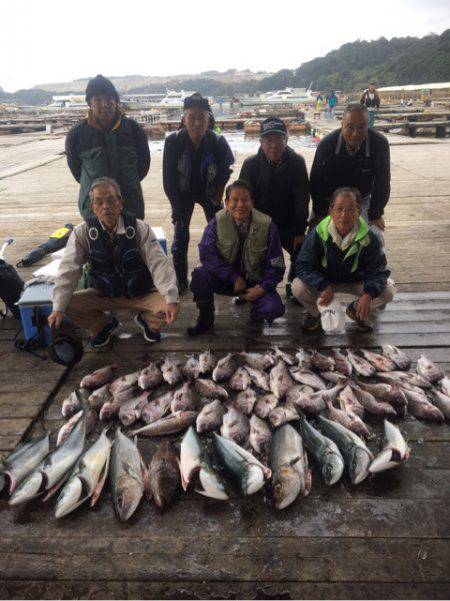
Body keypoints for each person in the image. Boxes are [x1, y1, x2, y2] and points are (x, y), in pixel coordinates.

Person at [48, 177, 179, 348]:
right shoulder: (81, 233)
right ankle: (103, 325)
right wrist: (58, 308)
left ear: (120, 203)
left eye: (111, 200)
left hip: (140, 294)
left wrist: (170, 297)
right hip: (104, 294)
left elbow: (159, 265)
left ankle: (147, 322)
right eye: (99, 202)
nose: (105, 206)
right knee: (68, 305)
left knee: (170, 304)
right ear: (93, 207)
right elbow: (68, 270)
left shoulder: (140, 229)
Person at [187, 179, 286, 336]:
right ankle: (205, 319)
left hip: (255, 283)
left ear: (252, 202)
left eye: (245, 200)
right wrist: (233, 277)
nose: (240, 205)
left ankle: (257, 316)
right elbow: (206, 254)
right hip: (225, 280)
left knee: (273, 307)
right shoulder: (215, 224)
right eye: (235, 200)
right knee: (199, 276)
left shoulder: (268, 227)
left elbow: (277, 266)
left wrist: (261, 289)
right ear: (226, 202)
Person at [292, 187, 394, 333]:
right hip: (326, 283)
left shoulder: (370, 237)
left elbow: (379, 270)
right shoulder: (317, 233)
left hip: (356, 281)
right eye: (339, 209)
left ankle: (357, 311)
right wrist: (321, 284)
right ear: (330, 211)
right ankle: (316, 313)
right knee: (297, 287)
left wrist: (369, 294)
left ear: (359, 211)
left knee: (388, 291)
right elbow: (302, 265)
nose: (344, 215)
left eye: (351, 209)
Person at [163, 92, 234, 292]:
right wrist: (176, 207)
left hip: (209, 191)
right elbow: (168, 180)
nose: (196, 123)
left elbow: (226, 166)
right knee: (180, 236)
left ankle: (220, 274)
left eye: (201, 117)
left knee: (220, 233)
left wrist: (219, 191)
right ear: (183, 119)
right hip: (182, 193)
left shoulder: (217, 141)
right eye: (191, 117)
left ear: (208, 119)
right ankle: (181, 280)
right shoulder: (173, 142)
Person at [239, 117, 309, 299]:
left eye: (279, 139)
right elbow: (242, 199)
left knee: (303, 250)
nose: (274, 145)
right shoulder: (250, 164)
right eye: (268, 140)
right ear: (261, 142)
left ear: (286, 139)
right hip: (259, 225)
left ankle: (293, 284)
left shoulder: (297, 163)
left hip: (288, 224)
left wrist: (300, 231)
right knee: (240, 247)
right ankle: (247, 284)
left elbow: (302, 200)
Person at [66, 74, 150, 220]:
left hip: (131, 206)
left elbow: (143, 167)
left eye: (108, 99)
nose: (104, 104)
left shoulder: (133, 129)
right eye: (98, 99)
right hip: (94, 210)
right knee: (96, 242)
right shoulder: (77, 133)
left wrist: (129, 183)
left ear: (116, 101)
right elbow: (76, 170)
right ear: (90, 103)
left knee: (131, 241)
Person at [309, 103, 390, 237]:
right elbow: (316, 181)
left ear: (368, 125)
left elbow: (383, 181)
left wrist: (375, 213)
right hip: (331, 201)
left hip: (361, 200)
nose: (355, 133)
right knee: (314, 237)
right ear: (342, 125)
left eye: (361, 127)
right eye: (350, 127)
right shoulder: (327, 144)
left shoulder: (379, 143)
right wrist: (320, 212)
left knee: (375, 237)